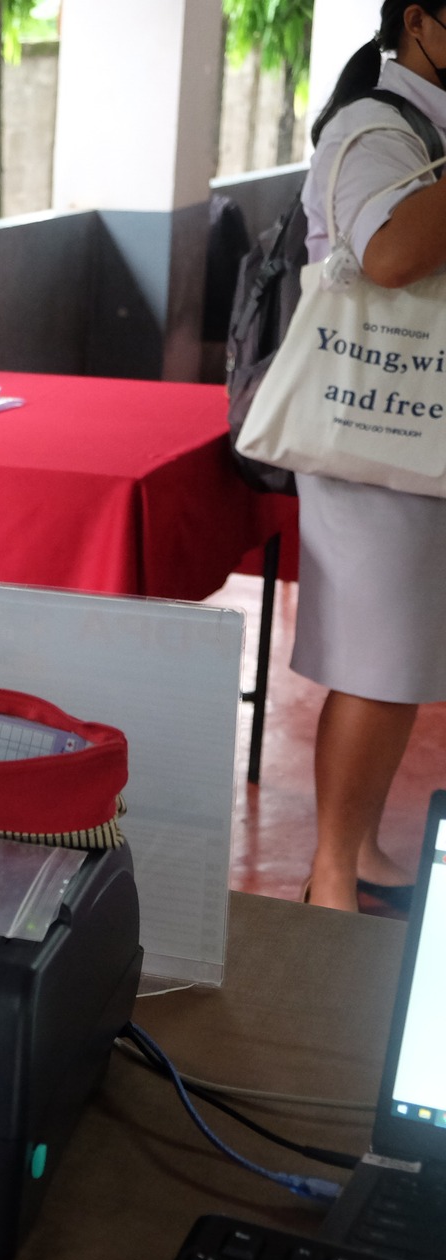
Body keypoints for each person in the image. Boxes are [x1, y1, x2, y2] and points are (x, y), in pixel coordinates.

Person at [294, 2, 446, 913]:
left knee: (404, 656)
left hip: (416, 422)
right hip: (372, 424)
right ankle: (331, 877)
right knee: (374, 658)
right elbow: (389, 255)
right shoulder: (371, 127)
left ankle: (363, 850)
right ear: (422, 22)